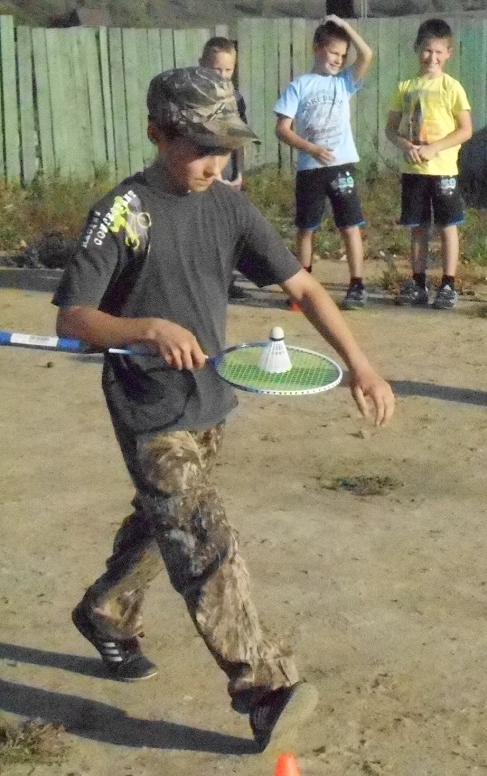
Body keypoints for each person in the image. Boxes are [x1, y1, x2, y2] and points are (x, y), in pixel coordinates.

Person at [53, 67, 395, 754]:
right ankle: (264, 689)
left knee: (164, 524)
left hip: (209, 399)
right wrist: (143, 327)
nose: (214, 163)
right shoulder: (123, 211)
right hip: (147, 404)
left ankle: (107, 611)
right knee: (205, 539)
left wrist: (360, 362)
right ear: (157, 135)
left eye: (224, 149)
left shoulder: (229, 208)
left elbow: (304, 287)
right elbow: (74, 317)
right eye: (199, 148)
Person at [274, 15, 374, 310]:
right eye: (333, 53)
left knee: (350, 225)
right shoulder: (299, 86)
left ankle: (357, 285)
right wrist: (310, 148)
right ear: (317, 48)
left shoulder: (345, 83)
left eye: (343, 56)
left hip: (341, 166)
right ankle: (302, 288)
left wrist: (344, 27)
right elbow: (282, 129)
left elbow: (366, 54)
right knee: (306, 228)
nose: (339, 60)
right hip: (310, 168)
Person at [384, 18, 473, 309]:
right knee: (418, 227)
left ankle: (448, 284)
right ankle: (419, 281)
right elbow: (390, 129)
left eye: (438, 52)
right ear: (416, 49)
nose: (431, 58)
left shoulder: (453, 87)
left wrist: (435, 147)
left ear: (448, 53)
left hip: (444, 171)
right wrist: (406, 146)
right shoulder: (405, 87)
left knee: (448, 226)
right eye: (426, 51)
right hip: (414, 171)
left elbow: (465, 129)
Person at [199, 36, 251, 300]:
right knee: (201, 229)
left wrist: (239, 172)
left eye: (228, 70)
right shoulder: (195, 98)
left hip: (229, 176)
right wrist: (213, 172)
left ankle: (226, 280)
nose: (222, 75)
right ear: (202, 65)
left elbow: (238, 137)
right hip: (202, 175)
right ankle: (203, 282)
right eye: (216, 69)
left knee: (228, 229)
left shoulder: (237, 99)